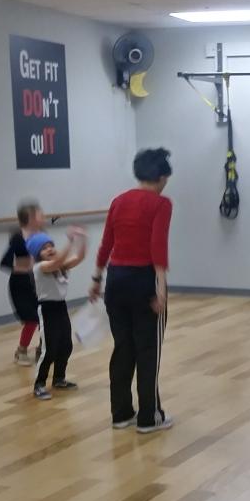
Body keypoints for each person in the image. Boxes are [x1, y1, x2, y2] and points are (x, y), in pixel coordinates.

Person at [89, 148, 173, 434]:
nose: (166, 184)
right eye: (166, 179)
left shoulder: (119, 201)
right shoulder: (161, 204)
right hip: (143, 281)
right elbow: (158, 245)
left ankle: (121, 413)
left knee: (123, 348)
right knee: (148, 350)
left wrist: (96, 278)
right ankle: (149, 417)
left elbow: (106, 243)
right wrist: (161, 287)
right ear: (160, 177)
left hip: (116, 281)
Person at [26, 228, 87, 400]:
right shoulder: (40, 267)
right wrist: (70, 241)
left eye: (51, 246)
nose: (50, 249)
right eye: (44, 248)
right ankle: (39, 384)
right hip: (47, 309)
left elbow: (79, 257)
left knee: (66, 345)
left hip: (61, 307)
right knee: (49, 349)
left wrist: (82, 239)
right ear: (37, 254)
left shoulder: (60, 267)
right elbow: (58, 261)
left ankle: (59, 378)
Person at [0, 198, 44, 365]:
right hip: (20, 285)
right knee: (31, 319)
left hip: (38, 282)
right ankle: (21, 351)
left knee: (44, 317)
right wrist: (24, 269)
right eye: (39, 215)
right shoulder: (18, 238)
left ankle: (42, 349)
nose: (43, 217)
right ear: (30, 218)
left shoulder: (42, 236)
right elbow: (5, 262)